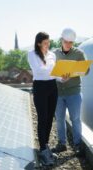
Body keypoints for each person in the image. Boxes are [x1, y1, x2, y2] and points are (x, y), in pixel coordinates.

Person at [52, 28, 87, 156]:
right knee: (60, 119)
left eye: (71, 42)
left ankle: (77, 145)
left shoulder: (79, 53)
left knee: (76, 119)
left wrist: (73, 73)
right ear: (61, 39)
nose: (68, 44)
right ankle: (62, 144)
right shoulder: (54, 54)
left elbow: (86, 71)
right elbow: (50, 71)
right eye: (66, 41)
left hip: (74, 93)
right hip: (58, 93)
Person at [28, 32, 58, 166]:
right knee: (43, 117)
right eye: (45, 42)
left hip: (53, 86)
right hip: (40, 87)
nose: (48, 44)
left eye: (49, 42)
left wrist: (64, 77)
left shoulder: (52, 55)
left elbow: (56, 74)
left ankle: (45, 146)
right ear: (39, 43)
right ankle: (43, 149)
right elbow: (38, 70)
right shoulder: (32, 54)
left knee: (50, 117)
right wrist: (53, 70)